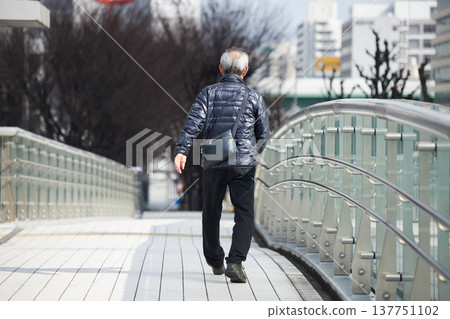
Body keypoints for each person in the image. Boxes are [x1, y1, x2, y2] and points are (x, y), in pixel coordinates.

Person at [173, 47, 269, 283]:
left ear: (221, 68)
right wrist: (251, 153)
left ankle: (215, 260)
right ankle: (235, 262)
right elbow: (263, 134)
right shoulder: (254, 97)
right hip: (243, 165)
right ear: (245, 71)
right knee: (244, 212)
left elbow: (193, 123)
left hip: (215, 159)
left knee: (212, 211)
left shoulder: (208, 93)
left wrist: (182, 151)